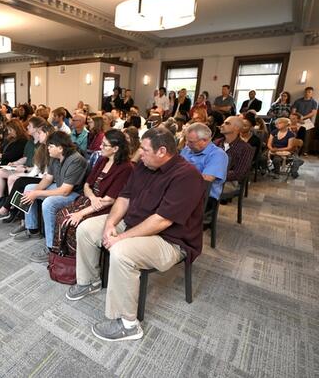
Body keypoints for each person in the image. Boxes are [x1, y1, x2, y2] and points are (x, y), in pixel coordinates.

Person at [66, 127, 205, 341]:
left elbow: (162, 220)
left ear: (162, 151)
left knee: (121, 252)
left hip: (170, 240)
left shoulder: (187, 176)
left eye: (144, 149)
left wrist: (119, 238)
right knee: (86, 228)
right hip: (133, 224)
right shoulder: (144, 165)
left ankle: (128, 324)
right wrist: (110, 224)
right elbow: (124, 197)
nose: (139, 153)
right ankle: (90, 281)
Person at [51, 130, 132, 258]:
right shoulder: (102, 160)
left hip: (106, 208)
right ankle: (62, 255)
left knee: (73, 223)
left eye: (105, 145)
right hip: (90, 200)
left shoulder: (125, 168)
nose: (100, 147)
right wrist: (93, 198)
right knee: (62, 215)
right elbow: (87, 185)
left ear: (116, 148)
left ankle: (75, 259)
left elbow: (109, 200)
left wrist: (81, 213)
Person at [14, 131, 88, 263]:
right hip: (62, 188)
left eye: (50, 146)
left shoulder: (76, 160)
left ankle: (51, 248)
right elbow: (48, 179)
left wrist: (37, 193)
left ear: (61, 148)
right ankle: (33, 229)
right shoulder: (55, 158)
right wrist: (34, 192)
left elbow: (65, 191)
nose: (47, 148)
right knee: (28, 189)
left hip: (76, 195)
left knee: (48, 203)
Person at [180, 123, 228, 212]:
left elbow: (205, 181)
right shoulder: (187, 149)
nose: (187, 144)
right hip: (182, 190)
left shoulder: (218, 155)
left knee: (169, 207)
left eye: (191, 142)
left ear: (205, 140)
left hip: (205, 197)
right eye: (187, 140)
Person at [216, 116, 255, 194]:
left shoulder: (245, 148)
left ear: (236, 128)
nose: (222, 125)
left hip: (230, 182)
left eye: (227, 123)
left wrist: (214, 175)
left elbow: (238, 173)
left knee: (202, 187)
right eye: (223, 123)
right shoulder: (216, 143)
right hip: (212, 176)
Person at [291, 86, 317, 155]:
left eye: (309, 92)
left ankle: (304, 151)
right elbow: (293, 111)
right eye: (306, 92)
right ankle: (294, 149)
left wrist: (303, 117)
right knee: (295, 134)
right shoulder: (298, 101)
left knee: (307, 136)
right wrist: (298, 118)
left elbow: (313, 113)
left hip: (307, 121)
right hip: (297, 120)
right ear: (304, 92)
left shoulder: (314, 102)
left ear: (312, 93)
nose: (307, 93)